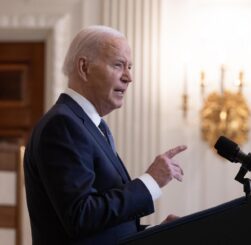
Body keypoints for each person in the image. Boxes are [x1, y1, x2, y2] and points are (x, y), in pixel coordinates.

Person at [24, 25, 187, 245]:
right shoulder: (62, 125)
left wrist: (157, 233)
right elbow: (81, 216)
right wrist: (150, 181)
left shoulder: (94, 126)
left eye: (130, 67)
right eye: (118, 65)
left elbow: (102, 227)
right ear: (84, 67)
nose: (128, 77)